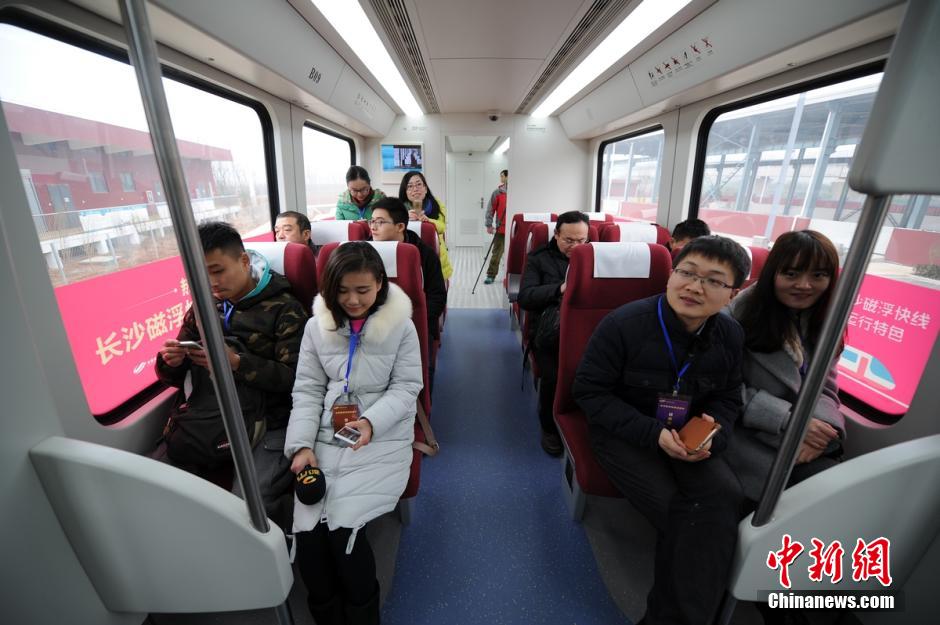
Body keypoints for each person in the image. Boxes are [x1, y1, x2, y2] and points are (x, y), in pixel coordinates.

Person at [573, 235, 751, 625]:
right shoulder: (624, 324)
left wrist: (710, 438)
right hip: (624, 432)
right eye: (687, 272)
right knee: (681, 514)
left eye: (713, 280)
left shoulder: (731, 335)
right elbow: (589, 393)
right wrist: (652, 434)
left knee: (725, 497)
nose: (694, 286)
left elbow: (727, 398)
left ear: (733, 293)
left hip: (689, 435)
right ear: (671, 274)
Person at [285, 242, 423, 625]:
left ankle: (363, 616)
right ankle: (326, 614)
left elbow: (407, 387)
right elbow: (308, 390)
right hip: (327, 431)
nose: (352, 300)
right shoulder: (317, 327)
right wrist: (300, 446)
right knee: (309, 539)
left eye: (362, 290)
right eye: (342, 291)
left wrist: (370, 422)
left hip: (382, 431)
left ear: (380, 283)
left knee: (343, 531)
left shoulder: (402, 326)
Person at [156, 221, 307, 527]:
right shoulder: (203, 307)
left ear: (244, 261)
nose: (211, 281)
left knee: (249, 505)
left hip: (270, 420)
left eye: (217, 270)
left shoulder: (285, 309)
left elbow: (295, 381)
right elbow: (177, 379)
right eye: (200, 273)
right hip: (211, 413)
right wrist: (170, 363)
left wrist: (237, 363)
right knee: (161, 486)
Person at [725, 230, 845, 503]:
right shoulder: (736, 318)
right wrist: (794, 423)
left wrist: (821, 431)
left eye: (818, 275)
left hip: (806, 441)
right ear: (772, 275)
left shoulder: (826, 321)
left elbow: (826, 385)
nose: (804, 285)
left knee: (838, 501)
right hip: (752, 438)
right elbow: (725, 390)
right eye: (791, 274)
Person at [518, 211, 590, 456]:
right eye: (569, 240)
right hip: (551, 331)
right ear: (556, 235)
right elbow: (526, 297)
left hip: (590, 329)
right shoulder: (538, 259)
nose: (576, 246)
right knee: (555, 373)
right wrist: (559, 289)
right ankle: (549, 426)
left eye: (582, 241)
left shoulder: (595, 258)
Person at [369, 196, 446, 392]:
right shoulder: (364, 253)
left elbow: (437, 297)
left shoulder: (424, 254)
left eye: (380, 222)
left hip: (413, 325)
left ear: (400, 226)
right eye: (372, 221)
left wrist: (414, 322)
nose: (373, 227)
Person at [399, 171, 453, 280]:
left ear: (425, 188)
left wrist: (428, 221)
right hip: (410, 257)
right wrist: (404, 218)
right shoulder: (399, 208)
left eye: (419, 184)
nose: (415, 189)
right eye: (410, 186)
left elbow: (442, 227)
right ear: (405, 192)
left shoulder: (436, 204)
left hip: (437, 255)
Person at [483, 169, 508, 285]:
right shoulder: (497, 193)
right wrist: (489, 224)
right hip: (501, 229)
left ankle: (512, 276)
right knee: (496, 253)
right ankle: (491, 275)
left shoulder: (519, 192)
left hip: (515, 230)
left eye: (502, 176)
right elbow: (490, 209)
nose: (501, 178)